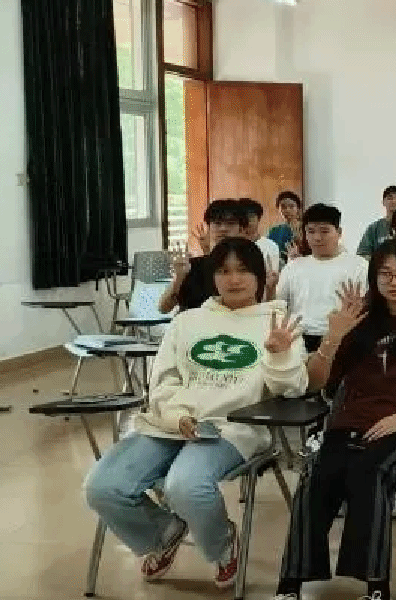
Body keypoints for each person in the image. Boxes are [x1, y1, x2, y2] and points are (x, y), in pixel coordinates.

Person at [85, 237, 306, 590]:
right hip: (170, 423)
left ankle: (222, 546)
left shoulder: (278, 322)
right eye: (224, 271)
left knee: (184, 486)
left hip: (231, 429)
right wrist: (177, 416)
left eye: (243, 270)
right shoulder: (187, 321)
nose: (234, 279)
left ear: (260, 276)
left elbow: (291, 389)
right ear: (212, 276)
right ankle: (164, 533)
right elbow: (163, 381)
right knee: (102, 486)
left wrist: (280, 355)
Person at [272, 239, 396, 600]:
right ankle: (290, 585)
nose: (394, 281)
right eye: (385, 274)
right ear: (373, 279)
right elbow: (317, 382)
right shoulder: (357, 326)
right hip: (351, 424)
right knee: (315, 478)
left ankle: (376, 587)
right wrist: (332, 338)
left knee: (371, 473)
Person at [275, 204, 369, 352]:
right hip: (298, 338)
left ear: (339, 232)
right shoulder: (293, 267)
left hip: (343, 336)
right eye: (310, 231)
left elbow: (365, 305)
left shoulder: (359, 265)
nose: (317, 238)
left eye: (325, 231)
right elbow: (279, 305)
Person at [160, 199, 245, 314]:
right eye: (217, 223)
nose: (223, 228)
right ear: (209, 228)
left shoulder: (248, 266)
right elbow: (163, 308)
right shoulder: (192, 266)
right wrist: (179, 278)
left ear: (241, 229)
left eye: (230, 223)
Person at [356, 185, 396, 257]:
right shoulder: (374, 228)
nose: (393, 201)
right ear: (383, 202)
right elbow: (362, 254)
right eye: (389, 198)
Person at [238, 198, 283, 275]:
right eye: (242, 217)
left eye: (250, 217)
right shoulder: (230, 245)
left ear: (258, 219)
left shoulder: (270, 246)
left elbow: (273, 276)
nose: (246, 221)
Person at [268, 190, 304, 255]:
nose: (287, 210)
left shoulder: (305, 228)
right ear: (278, 209)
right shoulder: (274, 231)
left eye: (291, 206)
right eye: (283, 207)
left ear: (298, 208)